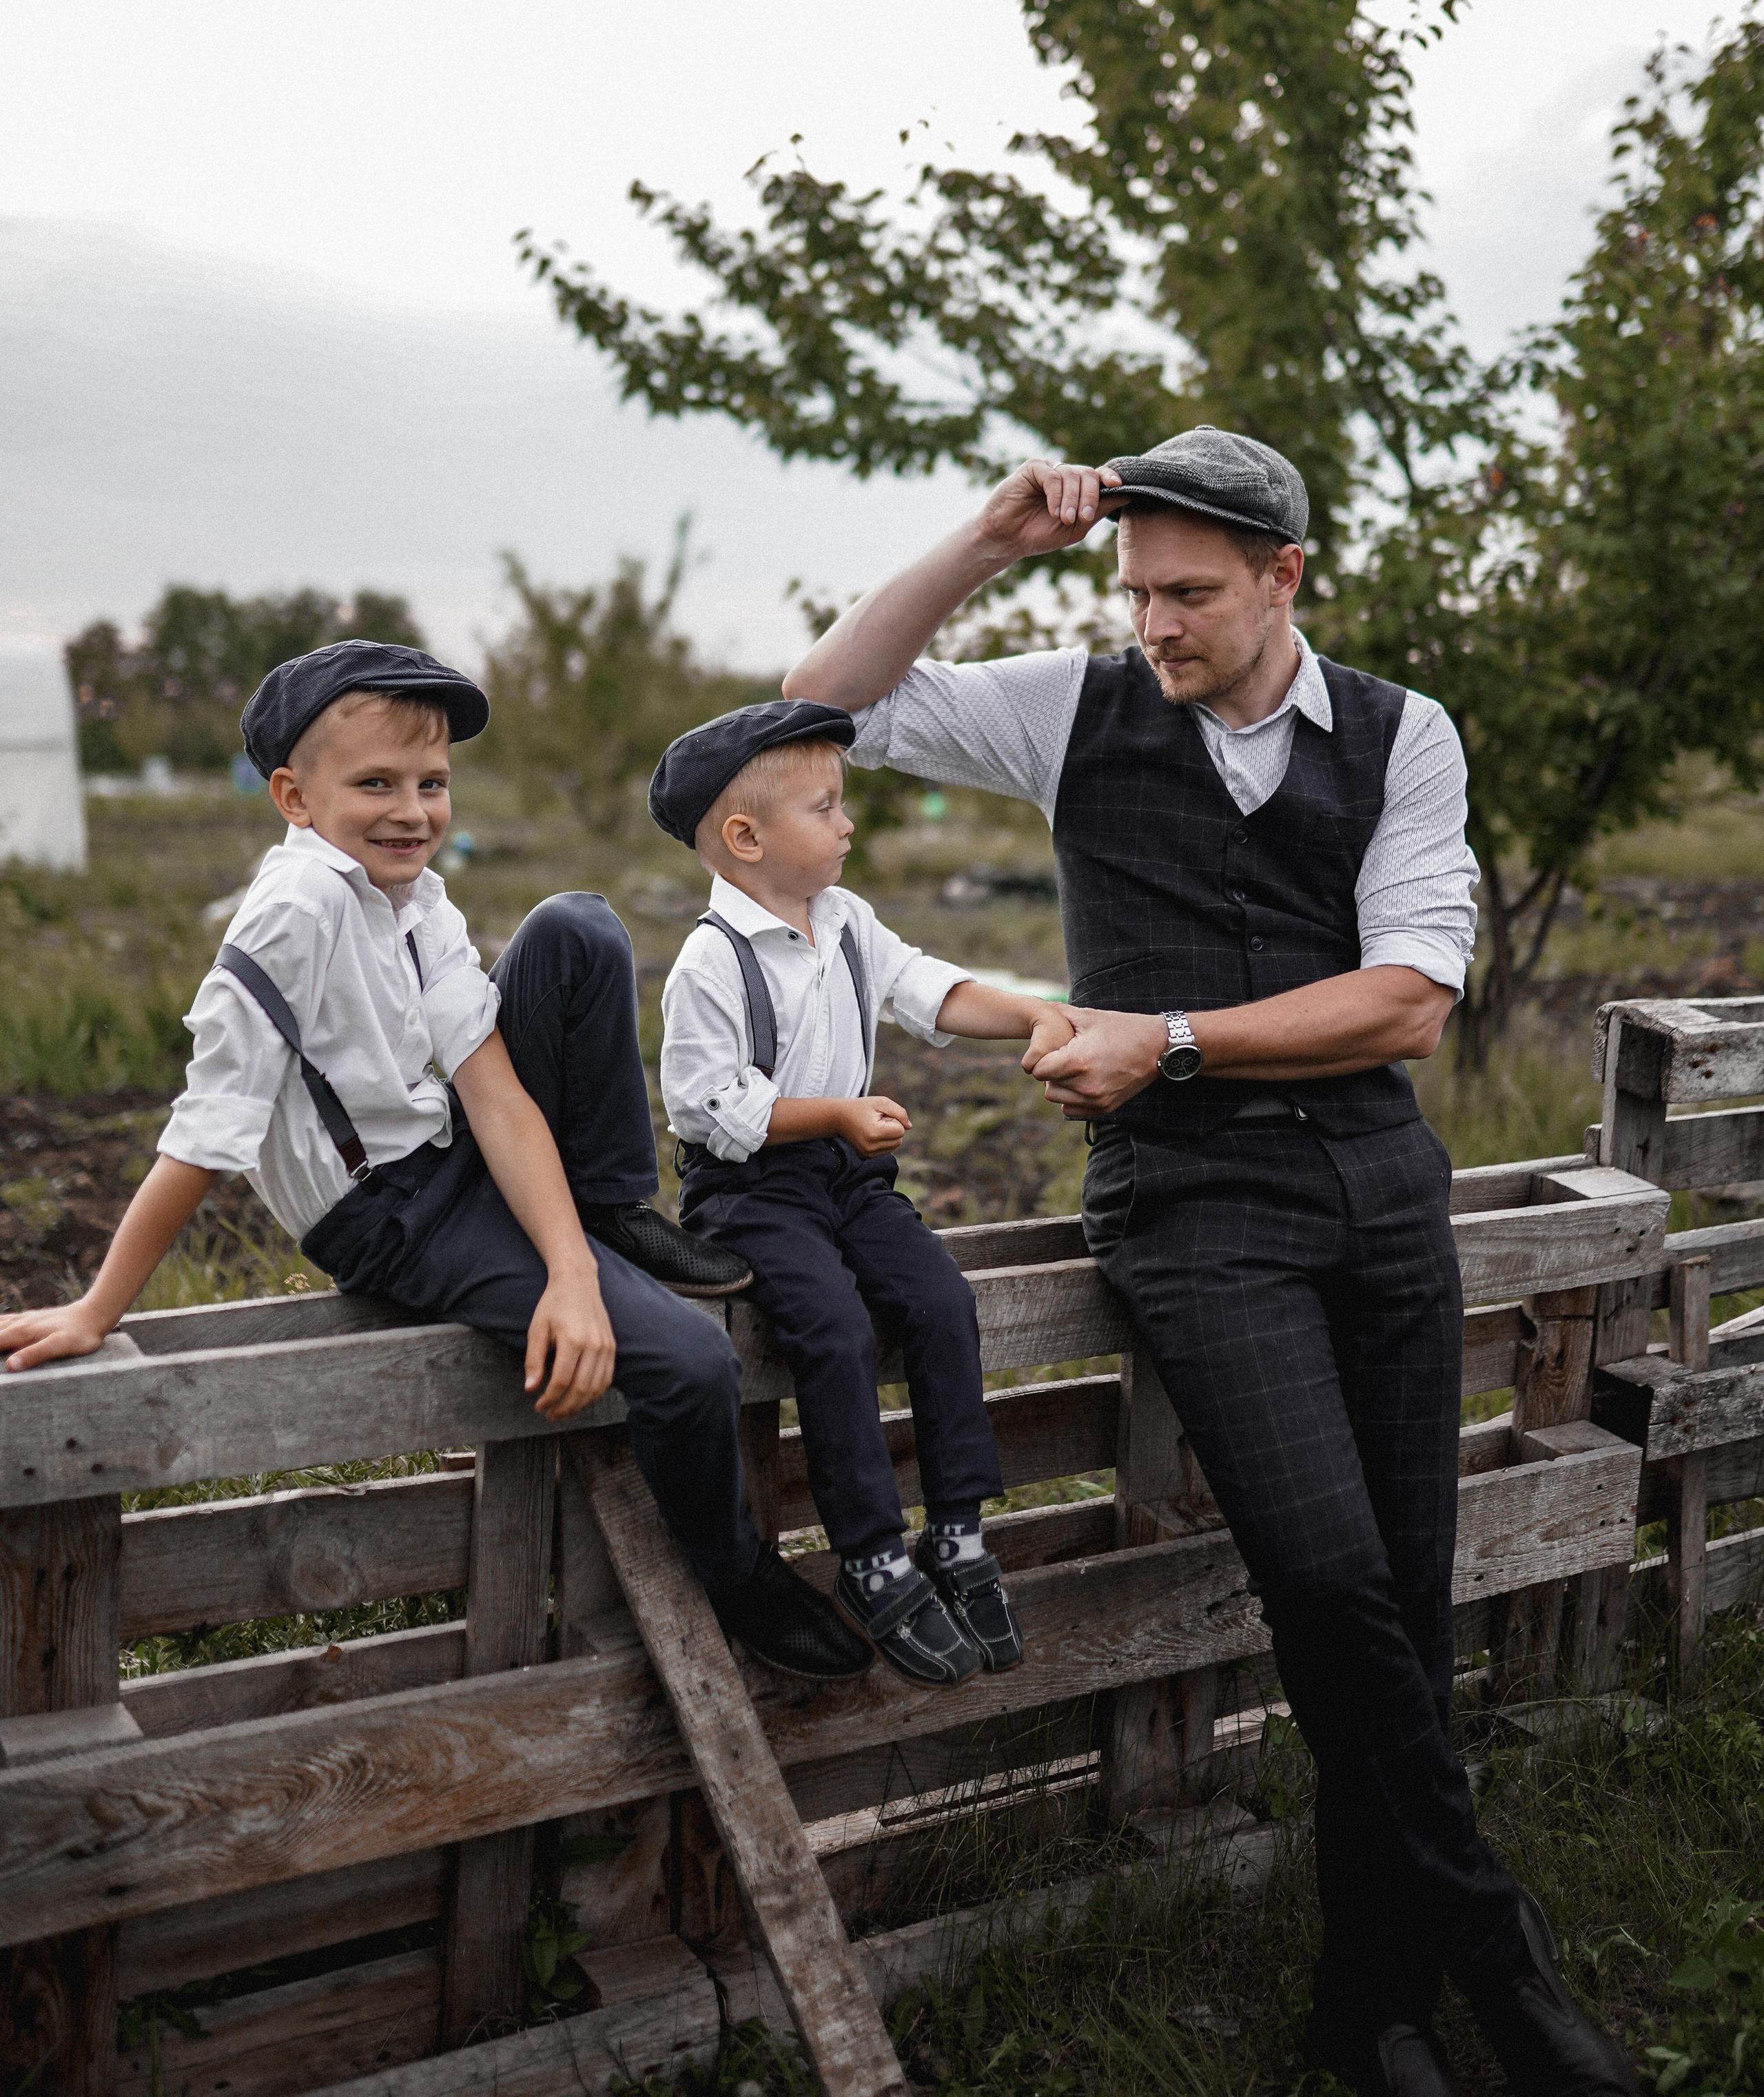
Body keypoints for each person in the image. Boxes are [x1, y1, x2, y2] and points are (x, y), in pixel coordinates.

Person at [781, 433, 1643, 2097]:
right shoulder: (1075, 707)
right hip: (1191, 1210)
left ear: (1281, 578)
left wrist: (1164, 1036)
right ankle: (1499, 1955)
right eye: (1134, 591)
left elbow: (1407, 1002)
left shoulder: (1401, 733)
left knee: (1392, 1607)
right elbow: (816, 712)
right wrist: (984, 541)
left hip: (1378, 1192)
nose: (1153, 624)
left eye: (1187, 594)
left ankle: (1368, 2016)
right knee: (1326, 1586)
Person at [0, 640, 869, 1684]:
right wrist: (98, 1310)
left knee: (579, 926)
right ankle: (738, 1578)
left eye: (431, 783)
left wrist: (574, 1267)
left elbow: (494, 1094)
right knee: (692, 1363)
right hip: (392, 1215)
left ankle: (606, 1212)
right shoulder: (295, 913)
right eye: (375, 784)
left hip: (449, 1150)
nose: (411, 811)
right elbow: (205, 1133)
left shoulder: (415, 896)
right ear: (293, 797)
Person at [652, 697, 1072, 1685]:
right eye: (826, 808)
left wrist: (1030, 1014)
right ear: (746, 838)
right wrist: (836, 1114)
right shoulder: (710, 963)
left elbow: (930, 988)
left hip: (848, 1179)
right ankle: (871, 1550)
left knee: (939, 1300)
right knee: (833, 1329)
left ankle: (957, 1528)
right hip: (751, 1191)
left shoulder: (846, 921)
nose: (848, 825)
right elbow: (710, 1106)